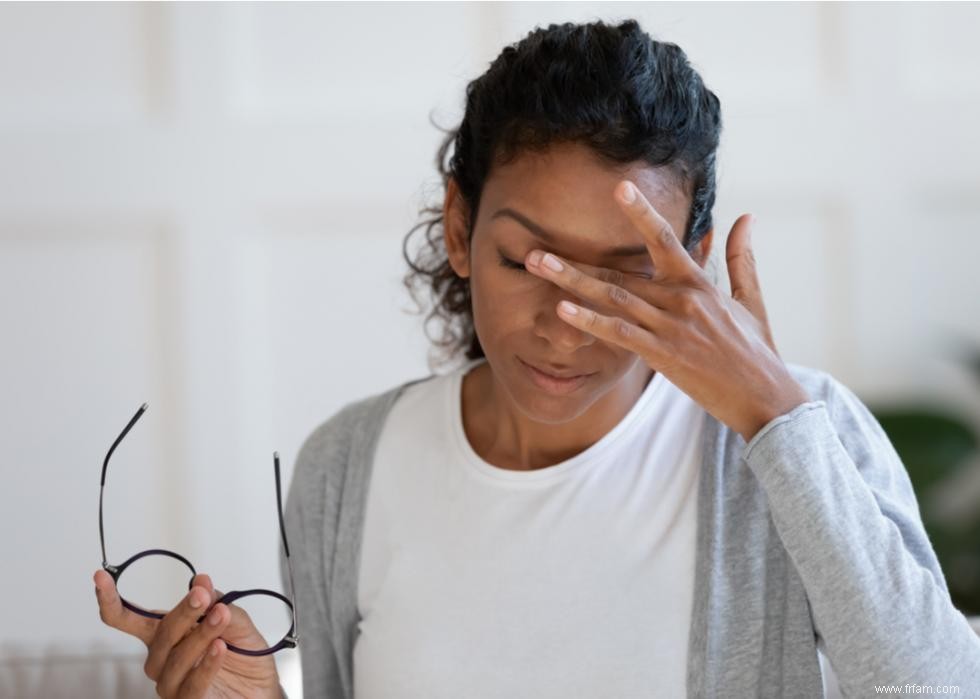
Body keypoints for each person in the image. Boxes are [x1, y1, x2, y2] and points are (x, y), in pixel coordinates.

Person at [93, 18, 980, 699]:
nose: (566, 325)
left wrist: (775, 421)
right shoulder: (348, 467)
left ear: (694, 260)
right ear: (458, 226)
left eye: (623, 275)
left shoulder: (787, 445)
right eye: (525, 262)